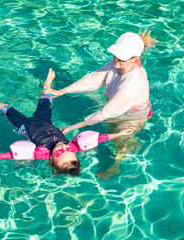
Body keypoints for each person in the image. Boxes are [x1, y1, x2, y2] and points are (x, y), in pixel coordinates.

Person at [0, 69, 133, 176]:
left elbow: (9, 156)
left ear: (51, 160)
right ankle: (47, 83)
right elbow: (99, 139)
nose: (63, 148)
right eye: (68, 150)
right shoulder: (73, 146)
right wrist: (119, 133)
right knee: (47, 96)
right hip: (44, 120)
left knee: (5, 108)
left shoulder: (41, 153)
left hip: (24, 127)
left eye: (59, 153)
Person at [43, 31, 157, 179]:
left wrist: (73, 126)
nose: (116, 60)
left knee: (120, 141)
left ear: (134, 59)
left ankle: (116, 166)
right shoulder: (117, 64)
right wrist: (63, 91)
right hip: (116, 106)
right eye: (115, 54)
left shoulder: (133, 84)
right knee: (108, 128)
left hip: (132, 117)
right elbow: (94, 79)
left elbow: (105, 113)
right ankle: (130, 144)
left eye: (121, 57)